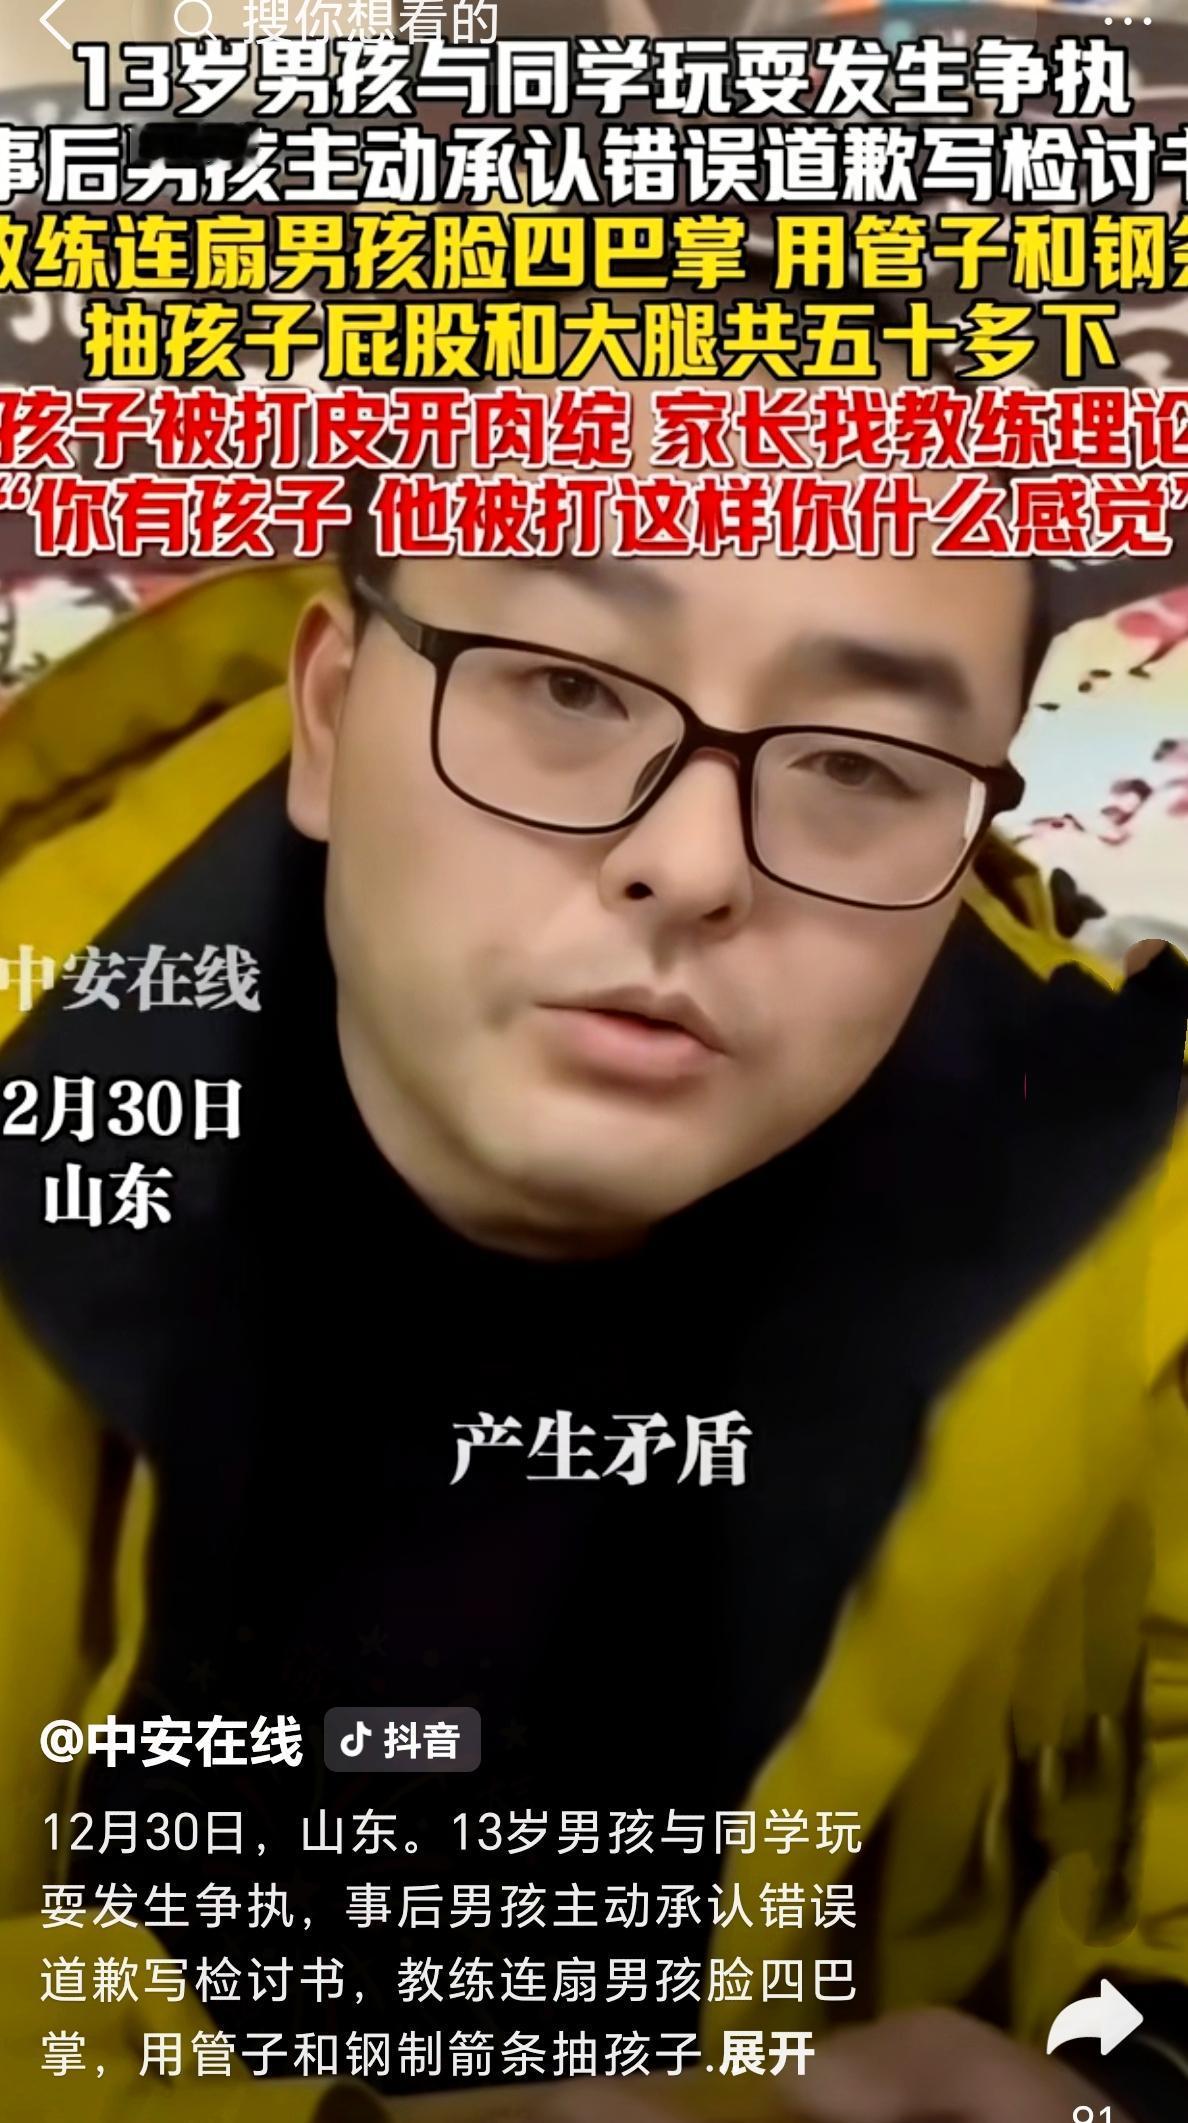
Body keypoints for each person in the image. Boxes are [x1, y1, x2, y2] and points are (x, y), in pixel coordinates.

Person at [1, 328, 1188, 2123]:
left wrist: (1126, 2087)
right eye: (566, 685)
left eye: (864, 765)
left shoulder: (1131, 1266)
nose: (694, 865)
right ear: (331, 712)